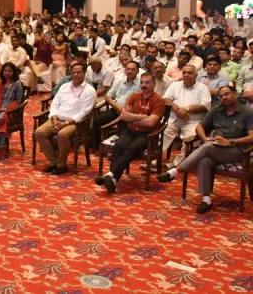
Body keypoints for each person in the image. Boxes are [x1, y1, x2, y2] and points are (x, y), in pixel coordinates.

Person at [158, 85, 253, 213]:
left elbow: (252, 136)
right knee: (205, 160)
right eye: (221, 96)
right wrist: (204, 138)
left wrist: (230, 141)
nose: (224, 97)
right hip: (215, 147)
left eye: (227, 94)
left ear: (235, 94)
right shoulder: (216, 110)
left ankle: (175, 171)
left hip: (237, 150)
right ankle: (206, 199)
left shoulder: (247, 112)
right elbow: (199, 127)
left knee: (207, 148)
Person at [95, 72, 166, 193]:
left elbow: (150, 123)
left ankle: (110, 174)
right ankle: (113, 179)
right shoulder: (134, 96)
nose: (144, 85)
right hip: (130, 130)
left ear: (154, 84)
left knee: (132, 148)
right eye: (142, 82)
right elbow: (124, 116)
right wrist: (141, 117)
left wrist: (132, 118)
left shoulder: (159, 100)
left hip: (148, 134)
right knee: (119, 145)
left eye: (147, 82)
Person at [34, 62, 97, 175]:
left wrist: (65, 123)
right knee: (39, 132)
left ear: (84, 73)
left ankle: (61, 165)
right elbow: (55, 104)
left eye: (79, 72)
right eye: (73, 72)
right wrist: (54, 119)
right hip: (58, 119)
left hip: (76, 123)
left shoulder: (90, 90)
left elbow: (84, 113)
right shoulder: (64, 87)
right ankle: (54, 162)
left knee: (62, 134)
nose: (76, 75)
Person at [162, 65, 211, 168]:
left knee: (191, 137)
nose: (186, 75)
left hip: (192, 120)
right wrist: (177, 109)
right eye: (184, 73)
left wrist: (187, 110)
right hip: (174, 118)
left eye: (189, 73)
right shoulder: (175, 85)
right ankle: (157, 159)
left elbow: (205, 106)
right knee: (162, 132)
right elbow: (166, 99)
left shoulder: (203, 88)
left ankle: (178, 164)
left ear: (196, 75)